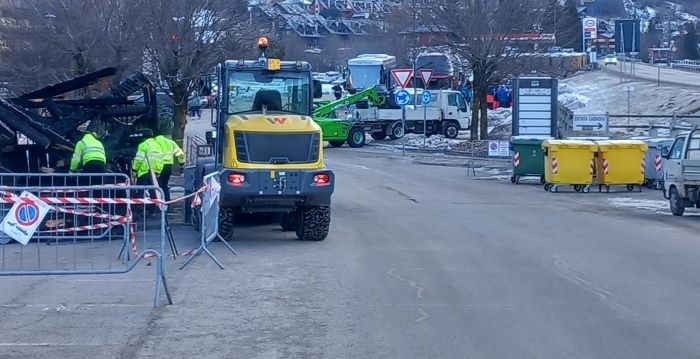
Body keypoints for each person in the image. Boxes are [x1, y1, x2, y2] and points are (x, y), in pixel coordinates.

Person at [132, 129, 164, 212]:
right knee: (153, 191)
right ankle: (153, 209)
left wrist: (134, 169)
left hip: (145, 171)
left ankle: (139, 209)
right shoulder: (157, 145)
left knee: (140, 190)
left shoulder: (144, 145)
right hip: (156, 171)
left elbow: (139, 159)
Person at [70, 122, 106, 188]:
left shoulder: (81, 142)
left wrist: (72, 170)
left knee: (85, 185)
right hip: (101, 165)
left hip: (90, 164)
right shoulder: (99, 143)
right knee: (100, 187)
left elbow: (76, 159)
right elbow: (103, 156)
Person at [154, 132, 185, 202]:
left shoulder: (154, 142)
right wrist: (181, 162)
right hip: (168, 166)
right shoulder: (170, 142)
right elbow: (180, 153)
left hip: (158, 166)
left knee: (157, 185)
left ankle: (157, 202)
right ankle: (167, 201)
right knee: (164, 184)